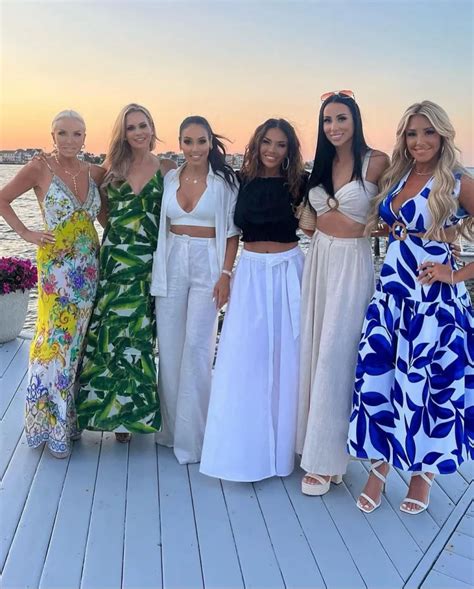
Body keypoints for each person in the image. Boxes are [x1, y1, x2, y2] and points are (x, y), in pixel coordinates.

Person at [347, 100, 473, 514]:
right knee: (380, 381)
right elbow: (397, 227)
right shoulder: (397, 176)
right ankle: (379, 467)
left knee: (431, 387)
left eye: (428, 132)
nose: (419, 141)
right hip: (391, 298)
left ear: (443, 135)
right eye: (412, 133)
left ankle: (423, 473)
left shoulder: (458, 182)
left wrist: (454, 273)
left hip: (434, 305)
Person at [200, 118, 306, 481]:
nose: (272, 150)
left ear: (289, 150)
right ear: (256, 144)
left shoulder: (300, 183)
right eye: (267, 142)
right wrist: (225, 274)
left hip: (290, 272)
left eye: (280, 144)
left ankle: (288, 448)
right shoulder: (239, 181)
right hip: (250, 273)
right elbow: (232, 234)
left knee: (289, 359)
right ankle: (245, 450)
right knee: (246, 357)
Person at [296, 91, 390, 495]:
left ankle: (326, 459)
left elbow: (398, 210)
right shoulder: (321, 164)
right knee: (315, 349)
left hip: (353, 262)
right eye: (327, 120)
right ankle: (316, 449)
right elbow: (308, 221)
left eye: (341, 118)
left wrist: (444, 239)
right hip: (319, 258)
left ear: (355, 121)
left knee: (339, 354)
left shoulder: (377, 161)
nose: (333, 127)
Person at [0, 110, 105, 457]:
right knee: (53, 342)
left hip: (89, 269)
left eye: (77, 133)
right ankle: (45, 425)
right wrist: (25, 232)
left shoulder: (95, 172)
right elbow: (2, 199)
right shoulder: (39, 167)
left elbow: (109, 215)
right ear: (52, 136)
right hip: (57, 271)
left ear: (85, 138)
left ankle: (68, 422)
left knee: (77, 344)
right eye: (62, 133)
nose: (69, 140)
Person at [76, 104, 175, 441]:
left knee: (139, 338)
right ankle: (103, 415)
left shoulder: (167, 168)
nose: (138, 132)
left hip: (148, 262)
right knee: (108, 335)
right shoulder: (110, 169)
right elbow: (102, 214)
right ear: (123, 133)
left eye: (143, 125)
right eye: (131, 127)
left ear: (152, 127)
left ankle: (130, 419)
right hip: (116, 260)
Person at [151, 115, 239, 464]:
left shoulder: (224, 182)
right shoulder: (170, 177)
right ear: (180, 143)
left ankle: (195, 439)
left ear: (210, 142)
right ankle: (171, 432)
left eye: (201, 141)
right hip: (172, 260)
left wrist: (226, 275)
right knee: (170, 348)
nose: (194, 148)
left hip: (208, 263)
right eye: (187, 141)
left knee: (199, 349)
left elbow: (232, 234)